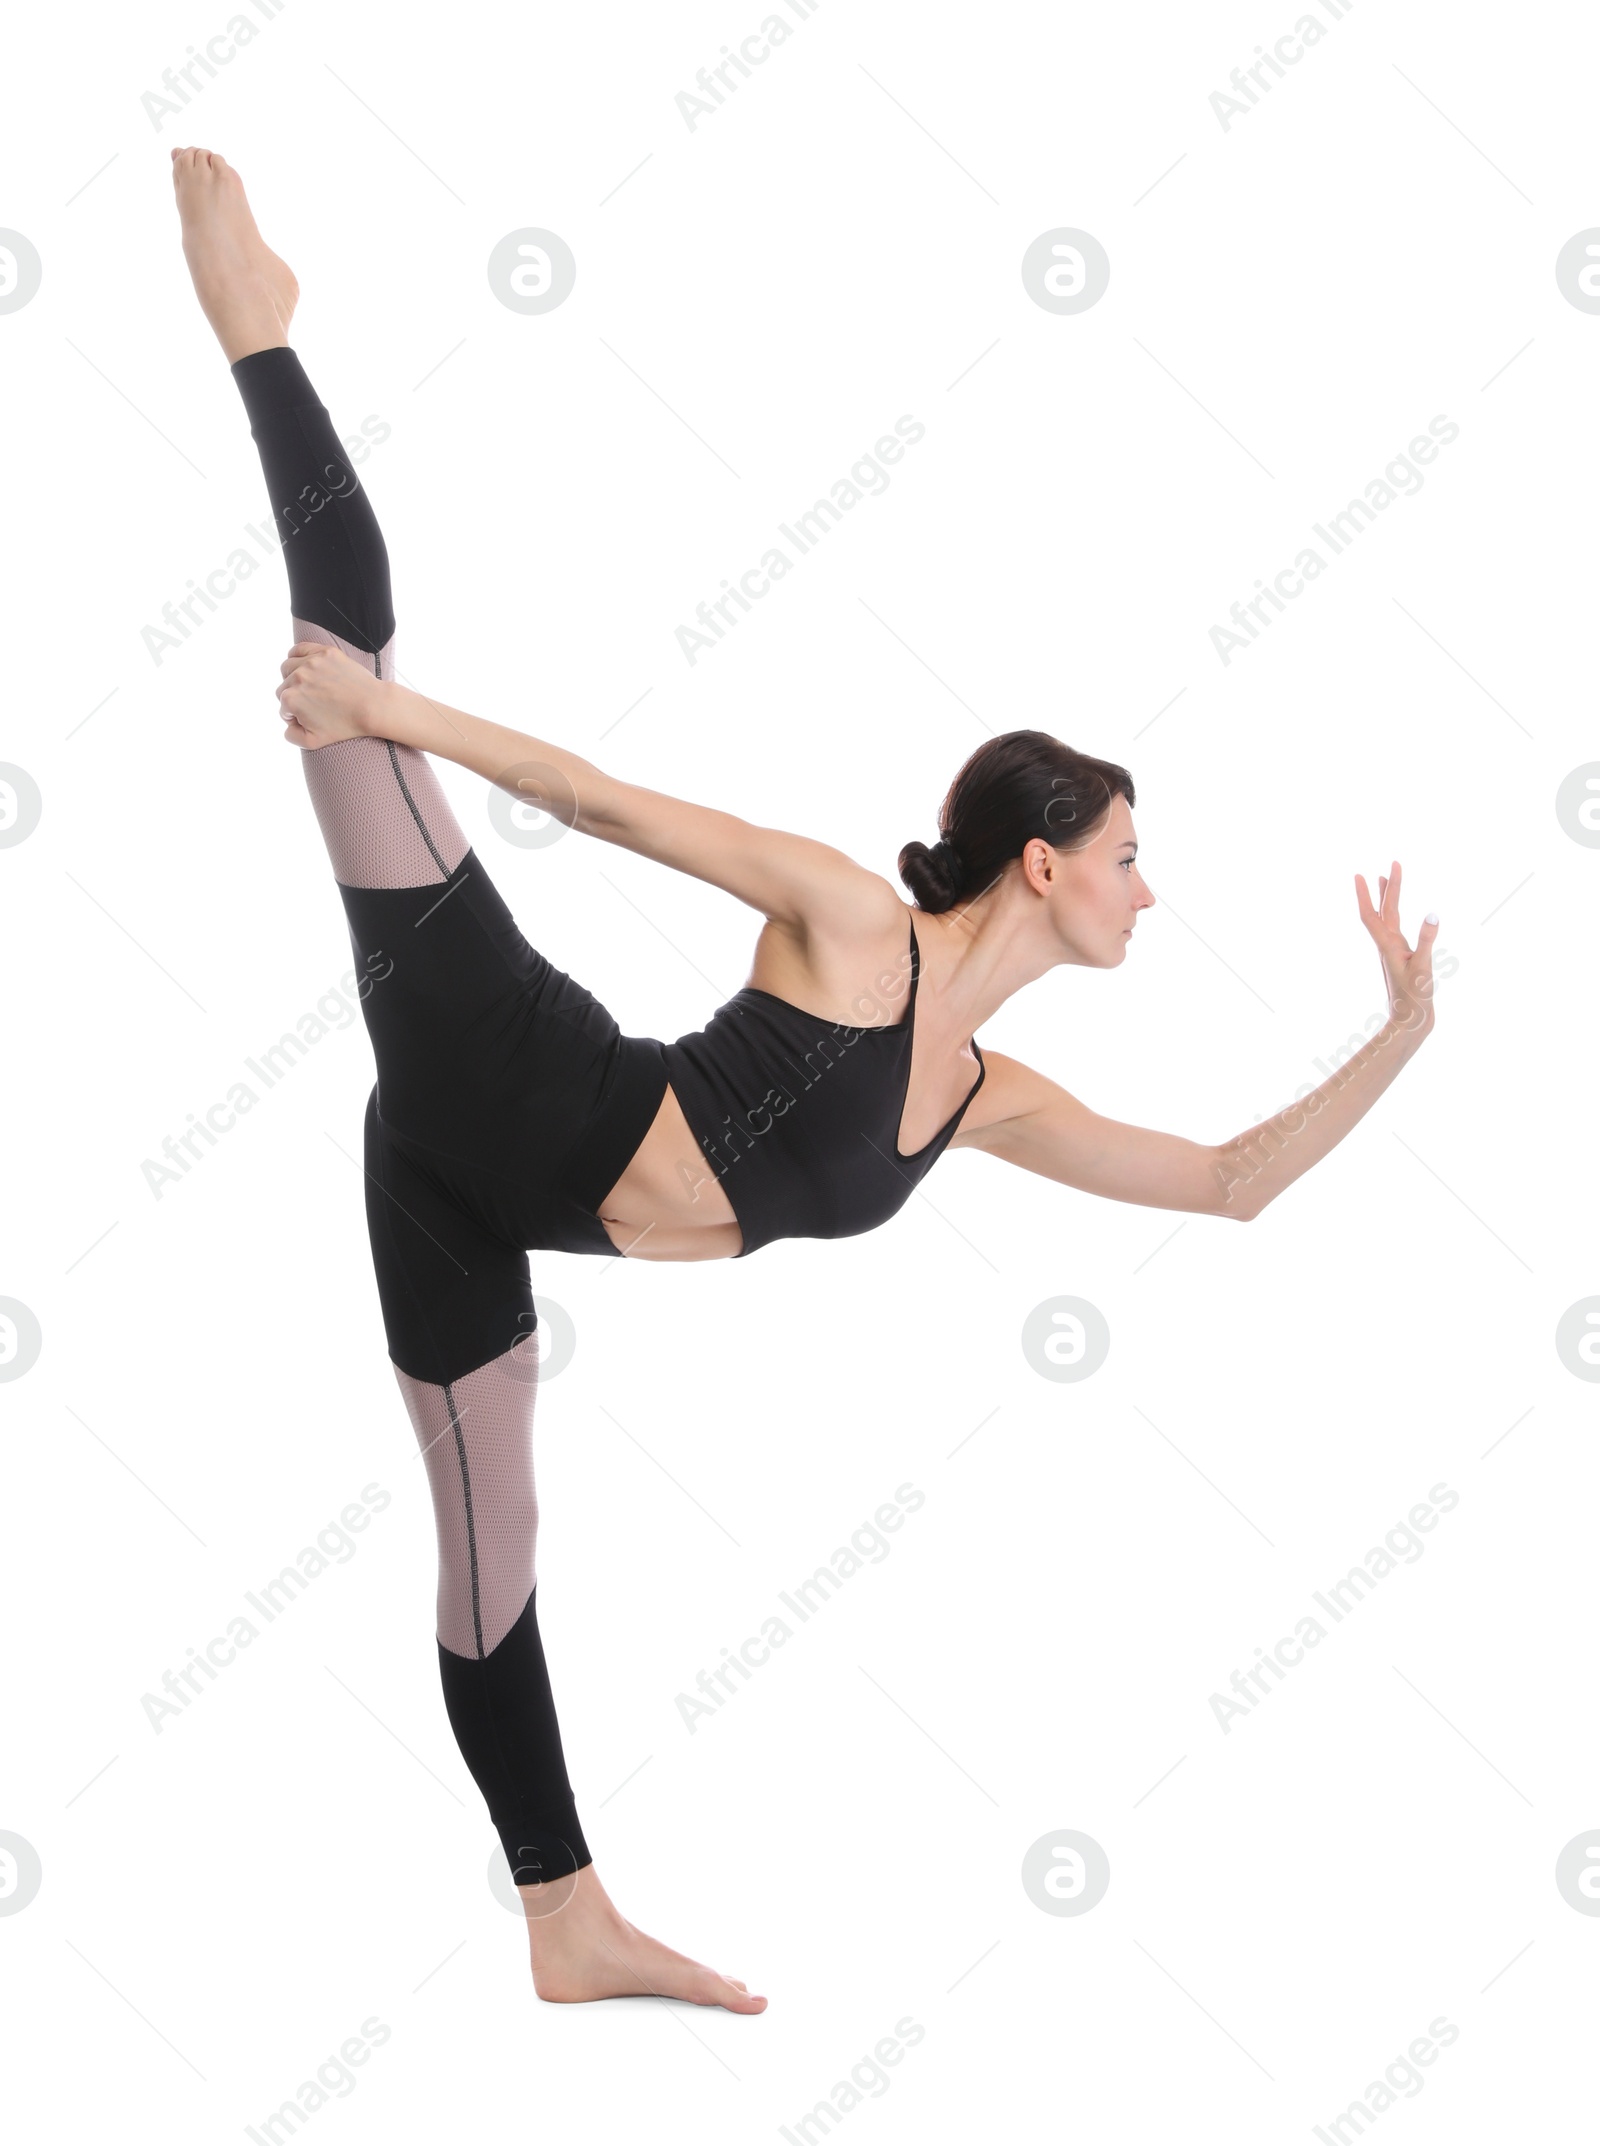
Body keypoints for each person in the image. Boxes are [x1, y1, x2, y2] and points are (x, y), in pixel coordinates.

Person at [170, 146, 1439, 2014]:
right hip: (503, 1059)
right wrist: (381, 721)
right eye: (1130, 855)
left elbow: (1232, 1183)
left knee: (490, 1548)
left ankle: (563, 1921)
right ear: (1043, 858)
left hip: (456, 1187)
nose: (1147, 888)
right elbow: (603, 801)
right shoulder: (854, 924)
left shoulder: (985, 1096)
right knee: (343, 637)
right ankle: (257, 327)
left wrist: (1401, 1035)